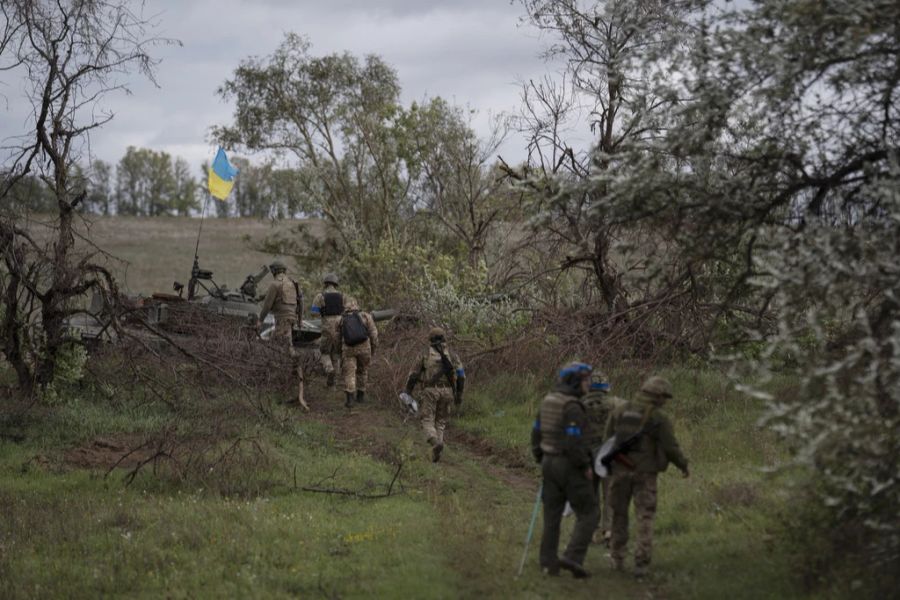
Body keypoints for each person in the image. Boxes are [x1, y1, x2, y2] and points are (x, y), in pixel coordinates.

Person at [605, 375, 690, 578]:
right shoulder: (658, 418)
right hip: (646, 474)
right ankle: (641, 562)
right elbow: (670, 447)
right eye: (664, 397)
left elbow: (608, 441)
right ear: (658, 396)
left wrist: (610, 465)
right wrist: (683, 465)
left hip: (620, 471)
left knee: (619, 514)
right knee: (645, 515)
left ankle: (617, 558)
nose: (665, 401)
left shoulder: (619, 411)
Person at [531, 362, 599, 578]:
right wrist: (585, 466)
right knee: (590, 512)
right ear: (574, 381)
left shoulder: (548, 400)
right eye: (585, 379)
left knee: (552, 515)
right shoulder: (572, 406)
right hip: (569, 464)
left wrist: (541, 457)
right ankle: (572, 558)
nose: (588, 383)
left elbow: (536, 433)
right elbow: (574, 442)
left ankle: (547, 562)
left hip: (548, 462)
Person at [404, 327, 466, 463]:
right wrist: (459, 394)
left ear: (430, 339)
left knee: (427, 419)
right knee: (440, 421)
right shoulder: (453, 354)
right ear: (444, 338)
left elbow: (414, 375)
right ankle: (436, 452)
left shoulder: (425, 353)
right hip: (448, 391)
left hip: (430, 391)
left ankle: (435, 442)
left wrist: (408, 391)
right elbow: (461, 376)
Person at [582, 372, 625, 545]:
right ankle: (609, 530)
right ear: (606, 387)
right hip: (609, 457)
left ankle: (590, 531)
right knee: (610, 494)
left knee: (590, 495)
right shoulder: (617, 403)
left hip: (587, 457)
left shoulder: (579, 405)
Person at [258, 260, 307, 410]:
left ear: (274, 271)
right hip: (291, 320)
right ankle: (288, 379)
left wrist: (260, 320)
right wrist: (299, 320)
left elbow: (267, 305)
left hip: (282, 320)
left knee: (281, 349)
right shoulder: (293, 283)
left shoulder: (275, 285)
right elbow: (301, 303)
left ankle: (285, 383)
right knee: (283, 345)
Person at [337, 297, 378, 409]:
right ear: (356, 305)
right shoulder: (366, 316)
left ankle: (350, 400)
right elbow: (374, 334)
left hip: (348, 349)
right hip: (364, 348)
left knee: (349, 373)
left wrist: (339, 352)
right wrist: (373, 348)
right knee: (363, 371)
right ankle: (360, 396)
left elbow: (338, 338)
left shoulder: (341, 319)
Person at [310, 273, 344, 387]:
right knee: (336, 354)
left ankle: (329, 370)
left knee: (324, 352)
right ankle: (333, 384)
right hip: (340, 327)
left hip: (327, 327)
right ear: (336, 284)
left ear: (325, 284)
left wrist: (322, 312)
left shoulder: (320, 296)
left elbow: (314, 312)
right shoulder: (342, 296)